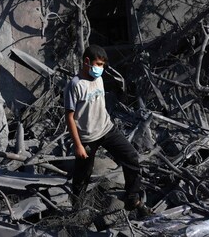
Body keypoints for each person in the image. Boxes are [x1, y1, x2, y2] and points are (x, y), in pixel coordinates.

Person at [64, 44, 152, 217]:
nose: (100, 69)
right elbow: (69, 117)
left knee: (131, 157)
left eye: (103, 65)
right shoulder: (74, 85)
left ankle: (132, 198)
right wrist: (78, 145)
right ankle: (77, 211)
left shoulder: (99, 79)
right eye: (98, 64)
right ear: (87, 61)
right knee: (82, 176)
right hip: (87, 137)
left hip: (107, 129)